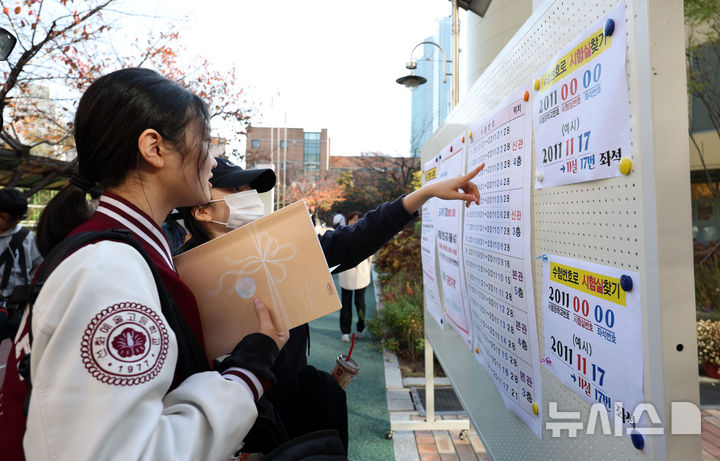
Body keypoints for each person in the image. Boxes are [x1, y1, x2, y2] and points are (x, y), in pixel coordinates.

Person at [0, 68, 288, 461]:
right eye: (204, 141)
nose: (213, 160)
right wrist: (247, 373)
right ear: (154, 148)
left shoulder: (114, 252)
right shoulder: (109, 268)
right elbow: (126, 453)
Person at [0, 188, 42, 342]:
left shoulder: (27, 237)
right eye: (9, 218)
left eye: (20, 217)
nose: (16, 222)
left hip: (20, 308)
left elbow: (39, 268)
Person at [337, 211, 371, 343]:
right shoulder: (342, 233)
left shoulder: (366, 235)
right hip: (346, 274)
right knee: (345, 304)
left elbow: (370, 256)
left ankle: (361, 328)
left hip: (361, 274)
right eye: (352, 219)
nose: (353, 222)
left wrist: (368, 270)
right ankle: (345, 332)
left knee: (360, 303)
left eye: (357, 220)